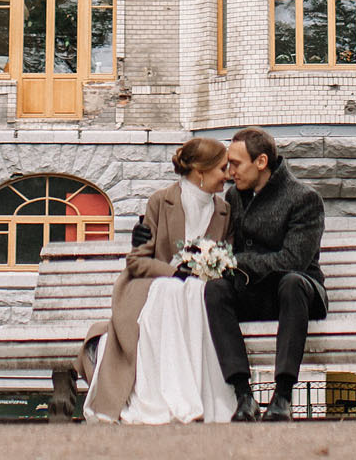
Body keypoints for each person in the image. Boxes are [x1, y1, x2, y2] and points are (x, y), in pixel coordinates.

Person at [82, 137, 238, 424]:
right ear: (200, 172)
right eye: (222, 168)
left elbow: (227, 256)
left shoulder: (225, 210)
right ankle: (168, 395)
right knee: (175, 290)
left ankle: (200, 395)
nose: (228, 175)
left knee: (194, 291)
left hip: (201, 292)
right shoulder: (161, 201)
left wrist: (208, 269)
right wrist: (175, 273)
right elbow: (137, 261)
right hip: (152, 287)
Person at [204, 126, 326, 421]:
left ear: (260, 162)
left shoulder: (303, 198)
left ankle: (282, 396)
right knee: (216, 289)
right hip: (255, 294)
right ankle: (244, 396)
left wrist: (237, 261)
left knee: (291, 282)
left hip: (299, 295)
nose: (230, 170)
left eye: (236, 163)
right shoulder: (235, 196)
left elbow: (294, 259)